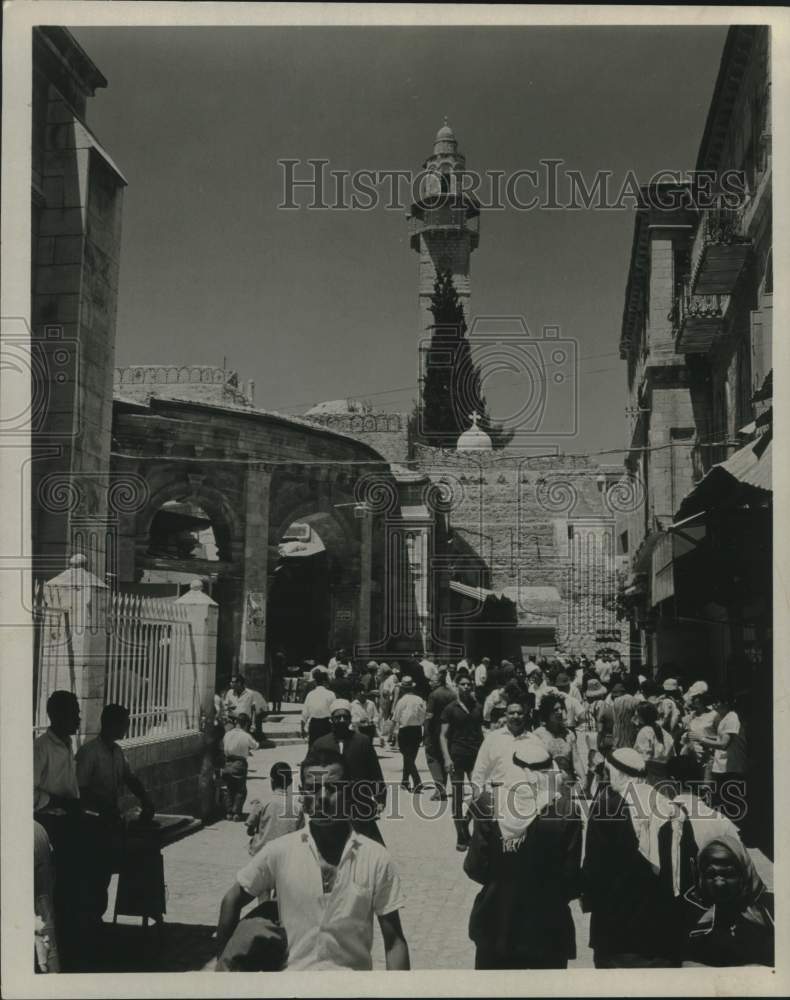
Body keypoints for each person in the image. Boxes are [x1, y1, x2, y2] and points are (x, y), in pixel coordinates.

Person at [216, 748, 410, 970]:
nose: (323, 798)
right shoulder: (280, 851)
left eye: (333, 788)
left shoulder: (376, 858)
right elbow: (231, 899)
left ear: (349, 792)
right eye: (313, 789)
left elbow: (394, 941)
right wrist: (223, 971)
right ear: (302, 794)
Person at [464, 744, 582, 969]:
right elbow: (571, 880)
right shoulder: (567, 811)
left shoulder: (489, 806)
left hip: (497, 920)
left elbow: (475, 868)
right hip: (548, 925)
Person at [582, 748, 679, 967]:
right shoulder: (661, 802)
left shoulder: (606, 806)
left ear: (618, 773)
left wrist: (589, 899)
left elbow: (594, 866)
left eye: (608, 772)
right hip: (655, 919)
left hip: (614, 919)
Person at [677, 837, 773, 967]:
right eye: (711, 875)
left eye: (728, 874)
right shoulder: (692, 912)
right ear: (701, 878)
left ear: (744, 874)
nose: (719, 883)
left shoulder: (769, 909)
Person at [312, 700, 387, 844]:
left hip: (359, 801)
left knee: (370, 845)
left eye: (345, 717)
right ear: (331, 720)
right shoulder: (320, 744)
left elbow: (374, 771)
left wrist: (380, 798)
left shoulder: (363, 742)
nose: (341, 720)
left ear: (350, 719)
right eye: (337, 717)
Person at [440, 674, 484, 851]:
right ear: (457, 686)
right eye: (463, 684)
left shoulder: (478, 707)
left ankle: (465, 822)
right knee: (457, 796)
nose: (466, 687)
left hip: (475, 756)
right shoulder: (450, 709)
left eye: (469, 684)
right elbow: (442, 736)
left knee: (478, 794)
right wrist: (447, 758)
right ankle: (461, 835)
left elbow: (480, 732)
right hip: (457, 755)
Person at [470, 700, 547, 794]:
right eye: (511, 713)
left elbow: (544, 772)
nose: (516, 716)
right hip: (496, 797)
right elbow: (480, 769)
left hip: (526, 798)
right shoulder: (492, 738)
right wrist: (477, 793)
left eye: (519, 713)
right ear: (505, 715)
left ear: (525, 715)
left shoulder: (535, 741)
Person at [694, 690, 748, 817]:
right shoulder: (724, 718)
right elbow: (719, 740)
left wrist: (702, 739)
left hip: (732, 768)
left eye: (718, 702)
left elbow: (724, 744)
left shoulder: (732, 717)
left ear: (726, 703)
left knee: (732, 805)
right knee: (723, 804)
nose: (714, 705)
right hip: (723, 768)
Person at [246, 761, 304, 857]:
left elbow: (249, 830)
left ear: (272, 780)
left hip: (262, 853)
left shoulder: (262, 801)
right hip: (286, 855)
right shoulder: (298, 806)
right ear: (290, 782)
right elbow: (300, 831)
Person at [532, 692, 578, 786]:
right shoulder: (537, 735)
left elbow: (576, 760)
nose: (560, 712)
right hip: (547, 784)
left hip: (568, 783)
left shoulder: (569, 734)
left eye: (561, 708)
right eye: (555, 710)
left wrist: (584, 781)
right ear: (547, 713)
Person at [423, 669, 456, 800]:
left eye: (432, 681)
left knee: (433, 758)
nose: (430, 683)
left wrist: (426, 731)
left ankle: (439, 788)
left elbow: (429, 715)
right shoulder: (453, 694)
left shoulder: (433, 695)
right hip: (451, 730)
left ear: (438, 682)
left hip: (435, 731)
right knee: (445, 757)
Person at [390, 676, 427, 793]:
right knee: (410, 757)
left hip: (405, 731)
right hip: (417, 730)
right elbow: (423, 716)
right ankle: (405, 781)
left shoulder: (402, 701)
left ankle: (417, 781)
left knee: (407, 757)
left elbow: (395, 718)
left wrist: (390, 733)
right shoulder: (420, 700)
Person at [221, 713, 259, 820]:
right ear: (246, 724)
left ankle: (228, 812)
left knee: (229, 788)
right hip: (239, 764)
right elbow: (255, 746)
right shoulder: (246, 736)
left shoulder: (227, 734)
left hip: (227, 763)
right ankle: (236, 812)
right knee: (240, 790)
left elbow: (222, 745)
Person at [633, 701, 676, 781]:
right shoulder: (664, 732)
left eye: (637, 715)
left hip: (649, 777)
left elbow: (644, 758)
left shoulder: (645, 731)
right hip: (664, 776)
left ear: (642, 716)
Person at [598, 680, 640, 752]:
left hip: (616, 741)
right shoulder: (636, 701)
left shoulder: (613, 703)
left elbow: (601, 728)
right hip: (631, 740)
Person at [301, 668, 335, 745]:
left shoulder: (310, 694)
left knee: (313, 749)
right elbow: (334, 711)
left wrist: (302, 730)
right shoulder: (331, 694)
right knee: (326, 748)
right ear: (324, 682)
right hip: (326, 725)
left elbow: (304, 715)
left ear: (315, 682)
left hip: (314, 725)